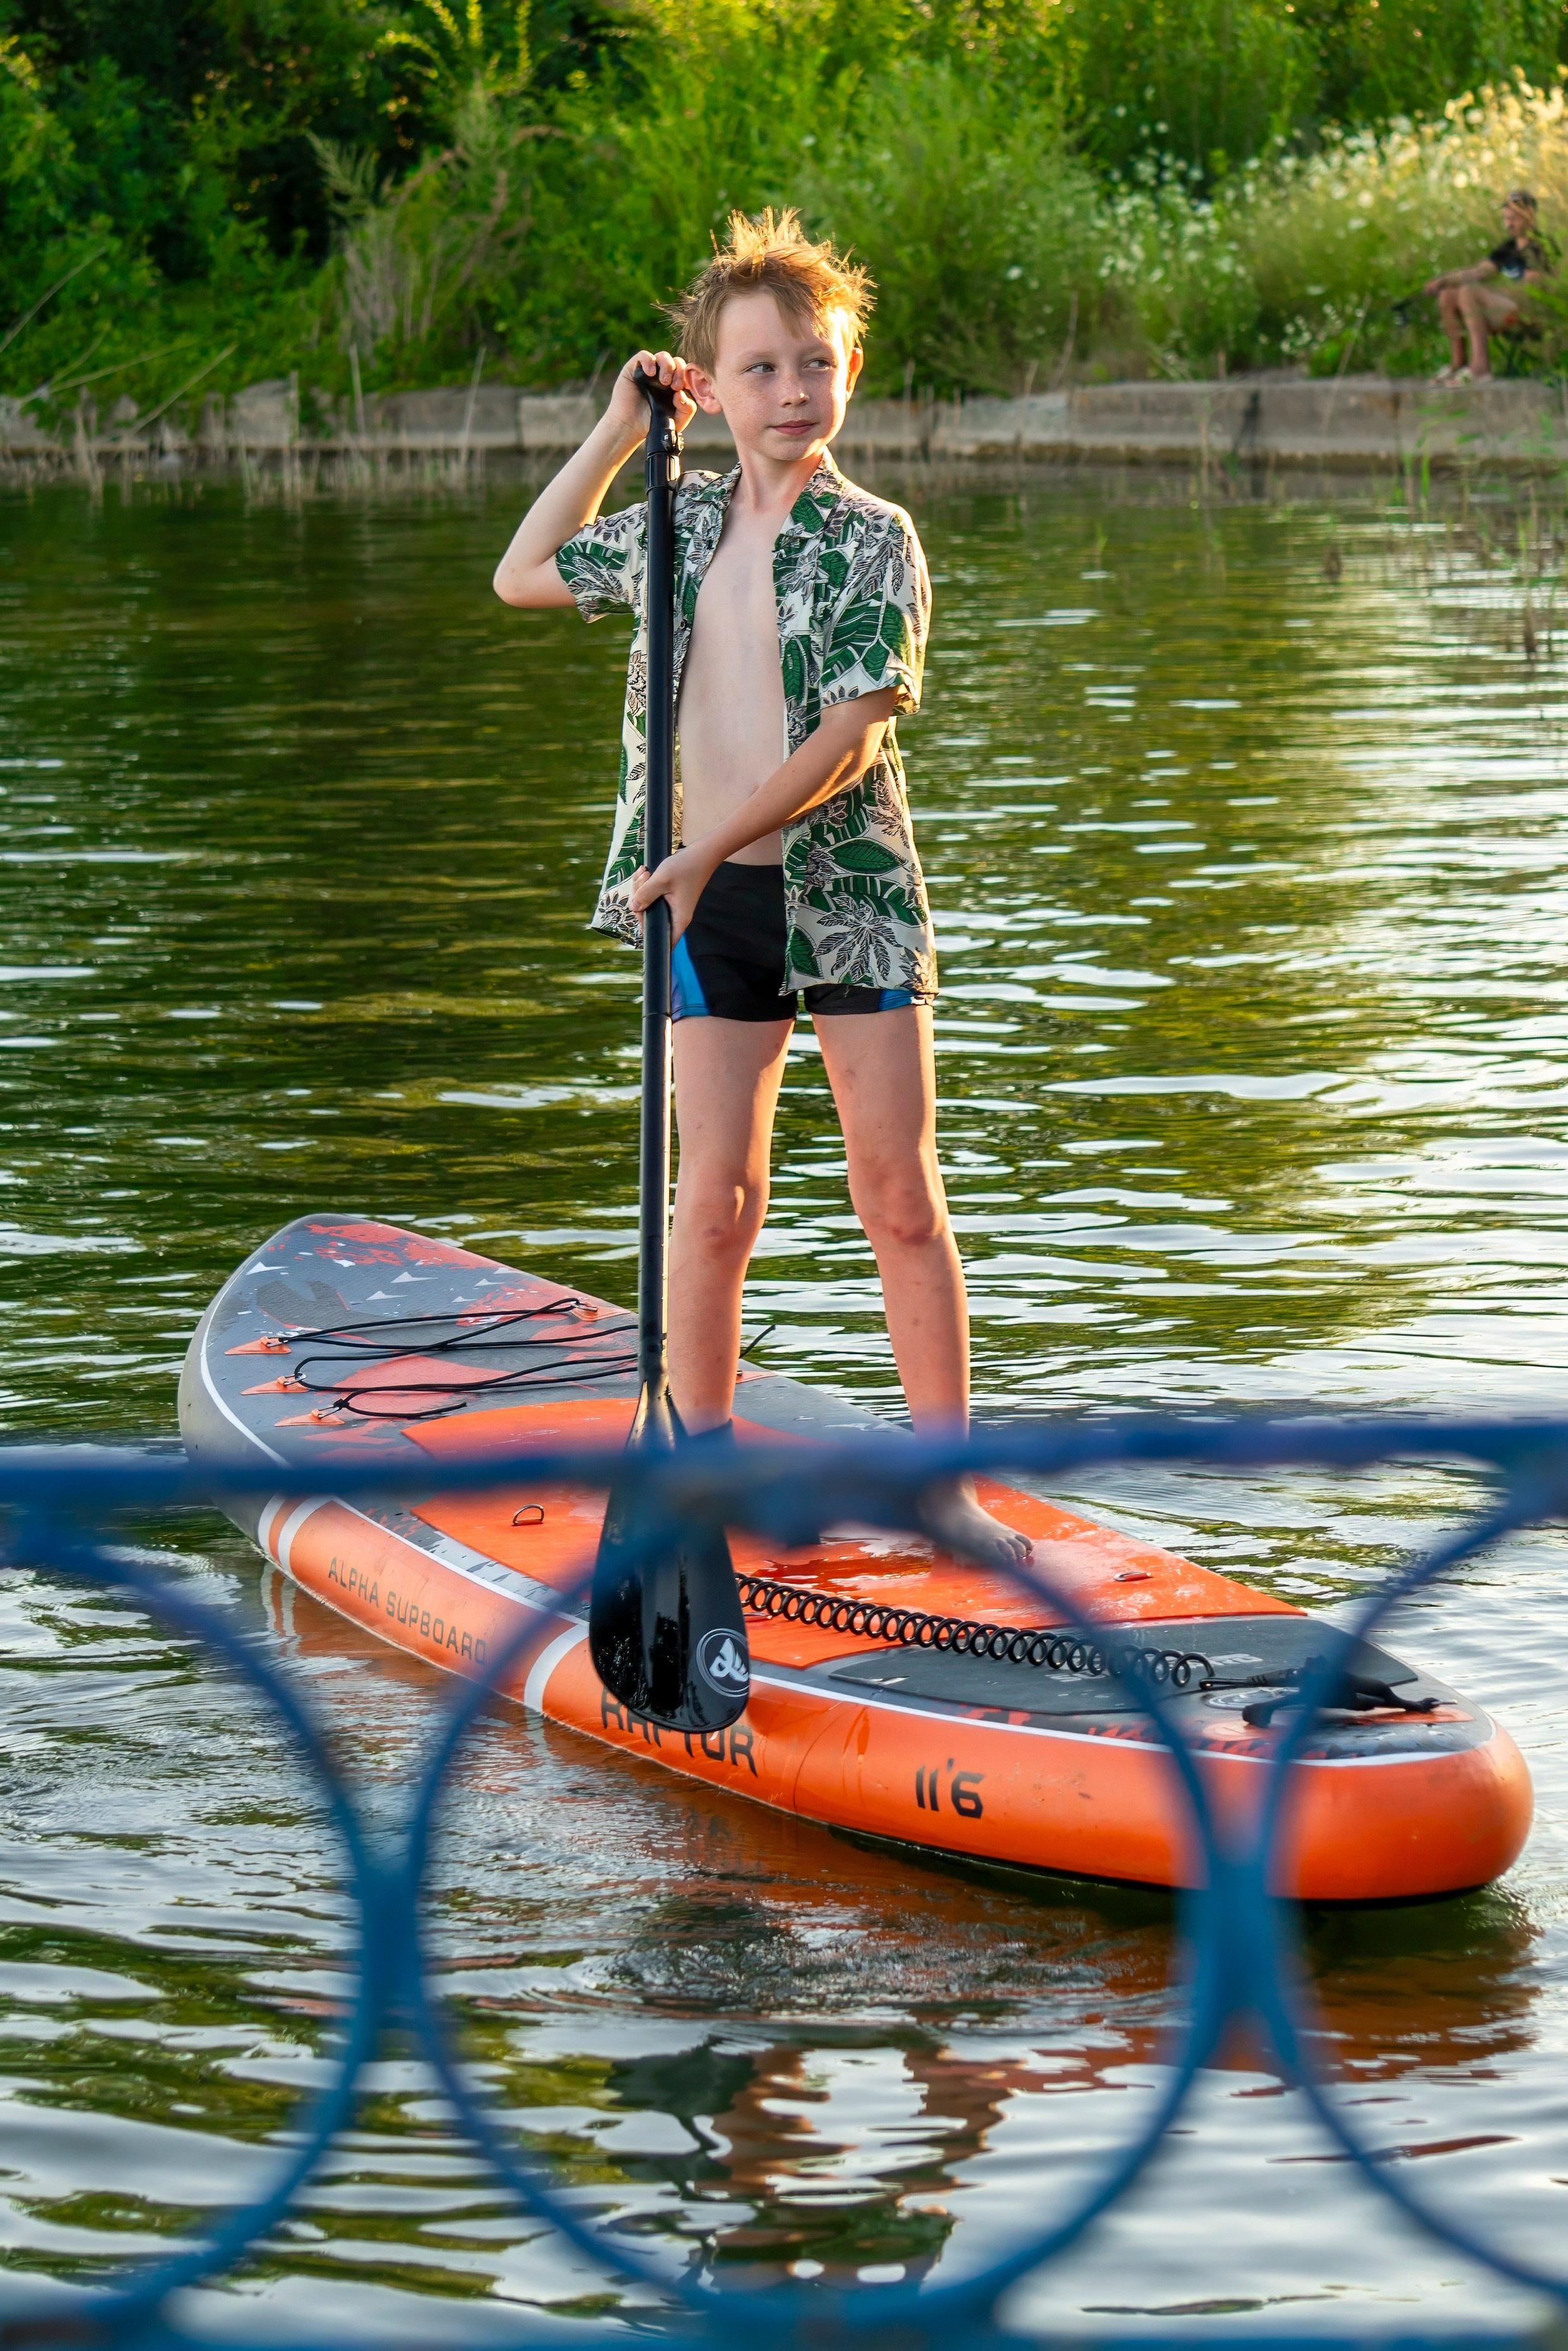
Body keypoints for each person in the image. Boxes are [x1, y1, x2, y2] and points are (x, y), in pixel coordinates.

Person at [492, 208, 1031, 1571]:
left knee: (895, 1190)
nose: (794, 392)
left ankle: (946, 1483)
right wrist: (621, 433)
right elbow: (524, 574)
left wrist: (700, 843)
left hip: (847, 896)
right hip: (706, 908)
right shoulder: (674, 522)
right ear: (711, 386)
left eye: (816, 363)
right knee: (713, 1200)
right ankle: (696, 1471)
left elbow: (849, 733)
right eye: (760, 369)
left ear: (848, 369)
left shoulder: (875, 537)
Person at [1426, 189, 1553, 383]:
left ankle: (1480, 368)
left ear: (1530, 218)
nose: (1509, 224)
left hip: (1529, 315)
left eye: (1515, 219)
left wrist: (1491, 292)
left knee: (1470, 292)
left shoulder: (1539, 246)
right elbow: (1481, 272)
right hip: (1504, 308)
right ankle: (1458, 364)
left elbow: (1531, 294)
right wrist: (1444, 280)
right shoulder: (1508, 248)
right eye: (1506, 218)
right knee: (1449, 293)